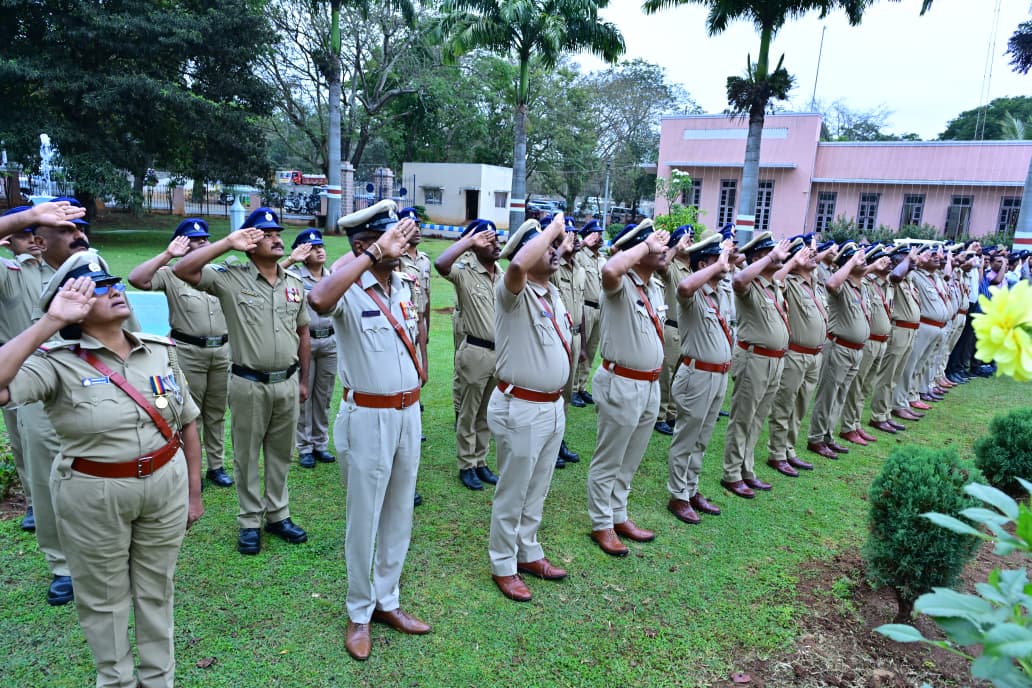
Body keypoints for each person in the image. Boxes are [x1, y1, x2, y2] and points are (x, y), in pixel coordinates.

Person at [0, 253, 203, 688]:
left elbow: (187, 419)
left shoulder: (159, 351)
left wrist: (193, 491)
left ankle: (158, 681)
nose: (114, 289)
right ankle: (115, 682)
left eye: (113, 281)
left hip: (164, 485)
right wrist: (49, 323)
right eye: (97, 287)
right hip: (94, 493)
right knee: (105, 599)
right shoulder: (55, 360)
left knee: (156, 591)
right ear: (70, 304)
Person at [308, 200, 430, 661]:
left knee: (400, 510)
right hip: (367, 416)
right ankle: (359, 612)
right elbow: (318, 300)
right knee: (365, 518)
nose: (405, 244)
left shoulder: (401, 283)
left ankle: (388, 600)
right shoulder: (346, 286)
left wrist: (385, 257)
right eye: (393, 239)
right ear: (365, 244)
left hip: (407, 413)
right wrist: (369, 255)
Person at [173, 207, 310, 555]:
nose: (276, 238)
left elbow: (303, 331)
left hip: (287, 382)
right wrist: (227, 242)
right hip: (248, 383)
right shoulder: (229, 278)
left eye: (277, 232)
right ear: (249, 244)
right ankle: (250, 520)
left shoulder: (295, 284)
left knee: (280, 454)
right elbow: (183, 269)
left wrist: (304, 379)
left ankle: (278, 515)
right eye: (265, 234)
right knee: (247, 455)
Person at [488, 215, 571, 603]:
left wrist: (554, 238)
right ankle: (503, 563)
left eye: (557, 245)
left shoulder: (553, 293)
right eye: (547, 245)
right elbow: (519, 265)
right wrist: (551, 230)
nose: (554, 251)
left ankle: (529, 550)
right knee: (513, 490)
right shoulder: (511, 289)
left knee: (537, 488)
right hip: (520, 405)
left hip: (551, 406)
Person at [127, 218, 233, 487]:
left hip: (221, 350)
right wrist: (167, 254)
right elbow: (137, 278)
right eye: (194, 240)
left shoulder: (219, 273)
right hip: (188, 351)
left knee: (216, 411)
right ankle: (189, 465)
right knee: (189, 413)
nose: (202, 243)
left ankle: (217, 465)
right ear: (181, 244)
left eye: (204, 240)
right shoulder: (170, 274)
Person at [587, 221, 669, 556]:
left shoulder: (656, 288)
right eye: (654, 245)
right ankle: (601, 523)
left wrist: (651, 248)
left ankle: (618, 514)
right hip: (621, 382)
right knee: (609, 458)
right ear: (638, 251)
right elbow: (610, 266)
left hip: (649, 384)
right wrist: (644, 246)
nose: (663, 249)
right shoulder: (619, 283)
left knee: (631, 458)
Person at [666, 234, 734, 524]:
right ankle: (677, 495)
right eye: (717, 257)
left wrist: (725, 260)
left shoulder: (723, 291)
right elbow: (683, 286)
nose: (726, 261)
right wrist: (714, 265)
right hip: (696, 375)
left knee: (702, 439)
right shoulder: (694, 294)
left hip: (718, 377)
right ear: (704, 263)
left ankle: (691, 489)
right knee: (687, 437)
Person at [721, 232, 791, 499]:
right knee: (742, 418)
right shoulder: (749, 284)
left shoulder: (774, 285)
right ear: (759, 257)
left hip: (774, 360)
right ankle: (731, 474)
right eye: (771, 252)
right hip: (754, 359)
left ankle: (746, 469)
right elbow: (738, 279)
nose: (779, 255)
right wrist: (771, 258)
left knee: (758, 418)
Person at [435, 219, 502, 491]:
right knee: (468, 412)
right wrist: (469, 242)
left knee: (487, 413)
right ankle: (466, 465)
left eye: (496, 238)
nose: (495, 243)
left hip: (500, 354)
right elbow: (441, 265)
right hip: (474, 351)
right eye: (488, 240)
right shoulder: (464, 271)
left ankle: (481, 461)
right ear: (474, 245)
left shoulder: (502, 272)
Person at [766, 236, 826, 472]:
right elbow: (773, 281)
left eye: (812, 253)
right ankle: (777, 453)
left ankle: (790, 449)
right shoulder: (788, 281)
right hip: (795, 354)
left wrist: (812, 251)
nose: (812, 256)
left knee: (800, 406)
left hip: (815, 356)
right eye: (806, 254)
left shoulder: (815, 284)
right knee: (784, 405)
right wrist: (791, 262)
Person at [0, 207, 44, 530]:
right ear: (8, 241)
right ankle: (33, 502)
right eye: (23, 234)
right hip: (18, 371)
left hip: (60, 366)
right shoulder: (7, 272)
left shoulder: (58, 268)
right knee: (22, 440)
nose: (32, 240)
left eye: (35, 233)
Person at [806, 242, 870, 458]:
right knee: (828, 394)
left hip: (856, 350)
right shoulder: (842, 285)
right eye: (856, 258)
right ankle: (816, 438)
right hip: (839, 347)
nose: (863, 260)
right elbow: (831, 284)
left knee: (840, 395)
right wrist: (851, 261)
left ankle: (828, 435)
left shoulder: (863, 286)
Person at [280, 229, 338, 468]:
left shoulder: (333, 275)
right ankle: (304, 447)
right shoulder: (292, 274)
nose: (320, 250)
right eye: (313, 247)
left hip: (331, 341)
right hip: (304, 342)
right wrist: (292, 258)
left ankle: (320, 443)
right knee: (304, 394)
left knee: (323, 395)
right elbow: (270, 277)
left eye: (321, 246)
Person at [839, 245, 893, 445]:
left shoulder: (885, 285)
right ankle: (848, 426)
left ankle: (856, 423)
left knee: (865, 386)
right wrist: (870, 266)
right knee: (857, 386)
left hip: (879, 342)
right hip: (868, 342)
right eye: (881, 260)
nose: (886, 263)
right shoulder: (865, 282)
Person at [549, 215, 585, 468]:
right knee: (554, 391)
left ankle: (559, 440)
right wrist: (560, 248)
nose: (572, 238)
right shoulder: (552, 265)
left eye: (574, 234)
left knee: (567, 393)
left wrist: (581, 342)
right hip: (556, 335)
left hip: (575, 335)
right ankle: (550, 443)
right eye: (566, 234)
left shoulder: (580, 268)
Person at [654, 224, 694, 436]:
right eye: (686, 239)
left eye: (691, 240)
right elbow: (661, 265)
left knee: (680, 377)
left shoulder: (693, 269)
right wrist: (676, 248)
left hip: (687, 330)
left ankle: (671, 413)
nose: (690, 243)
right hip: (671, 328)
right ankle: (659, 416)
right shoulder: (673, 267)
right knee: (666, 376)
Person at [572, 219, 604, 408]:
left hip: (600, 309)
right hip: (584, 307)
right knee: (580, 350)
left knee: (591, 351)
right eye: (595, 233)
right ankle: (574, 388)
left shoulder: (601, 258)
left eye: (600, 233)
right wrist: (583, 243)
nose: (599, 237)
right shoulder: (580, 255)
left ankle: (582, 387)